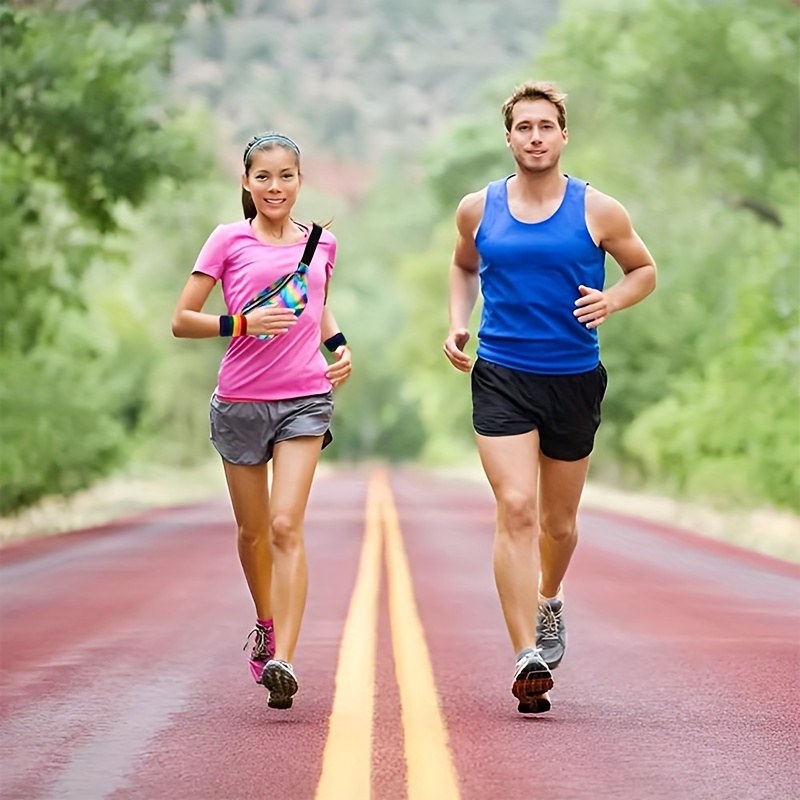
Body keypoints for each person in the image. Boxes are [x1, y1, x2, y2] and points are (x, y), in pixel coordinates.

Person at [443, 81, 657, 714]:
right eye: (523, 127)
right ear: (508, 137)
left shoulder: (599, 211)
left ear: (563, 135)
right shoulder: (478, 208)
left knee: (558, 524)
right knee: (515, 506)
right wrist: (459, 320)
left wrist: (612, 299)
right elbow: (463, 266)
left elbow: (643, 270)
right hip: (503, 372)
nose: (534, 137)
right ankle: (524, 653)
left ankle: (550, 600)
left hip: (573, 378)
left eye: (545, 126)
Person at [172, 132, 352, 710]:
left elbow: (314, 301)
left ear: (301, 181)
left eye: (287, 176)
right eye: (264, 177)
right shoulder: (228, 240)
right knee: (252, 533)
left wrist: (339, 345)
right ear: (247, 184)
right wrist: (242, 325)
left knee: (283, 526)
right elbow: (182, 319)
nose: (276, 187)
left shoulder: (321, 243)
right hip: (240, 402)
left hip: (304, 398)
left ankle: (285, 660)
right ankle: (265, 621)